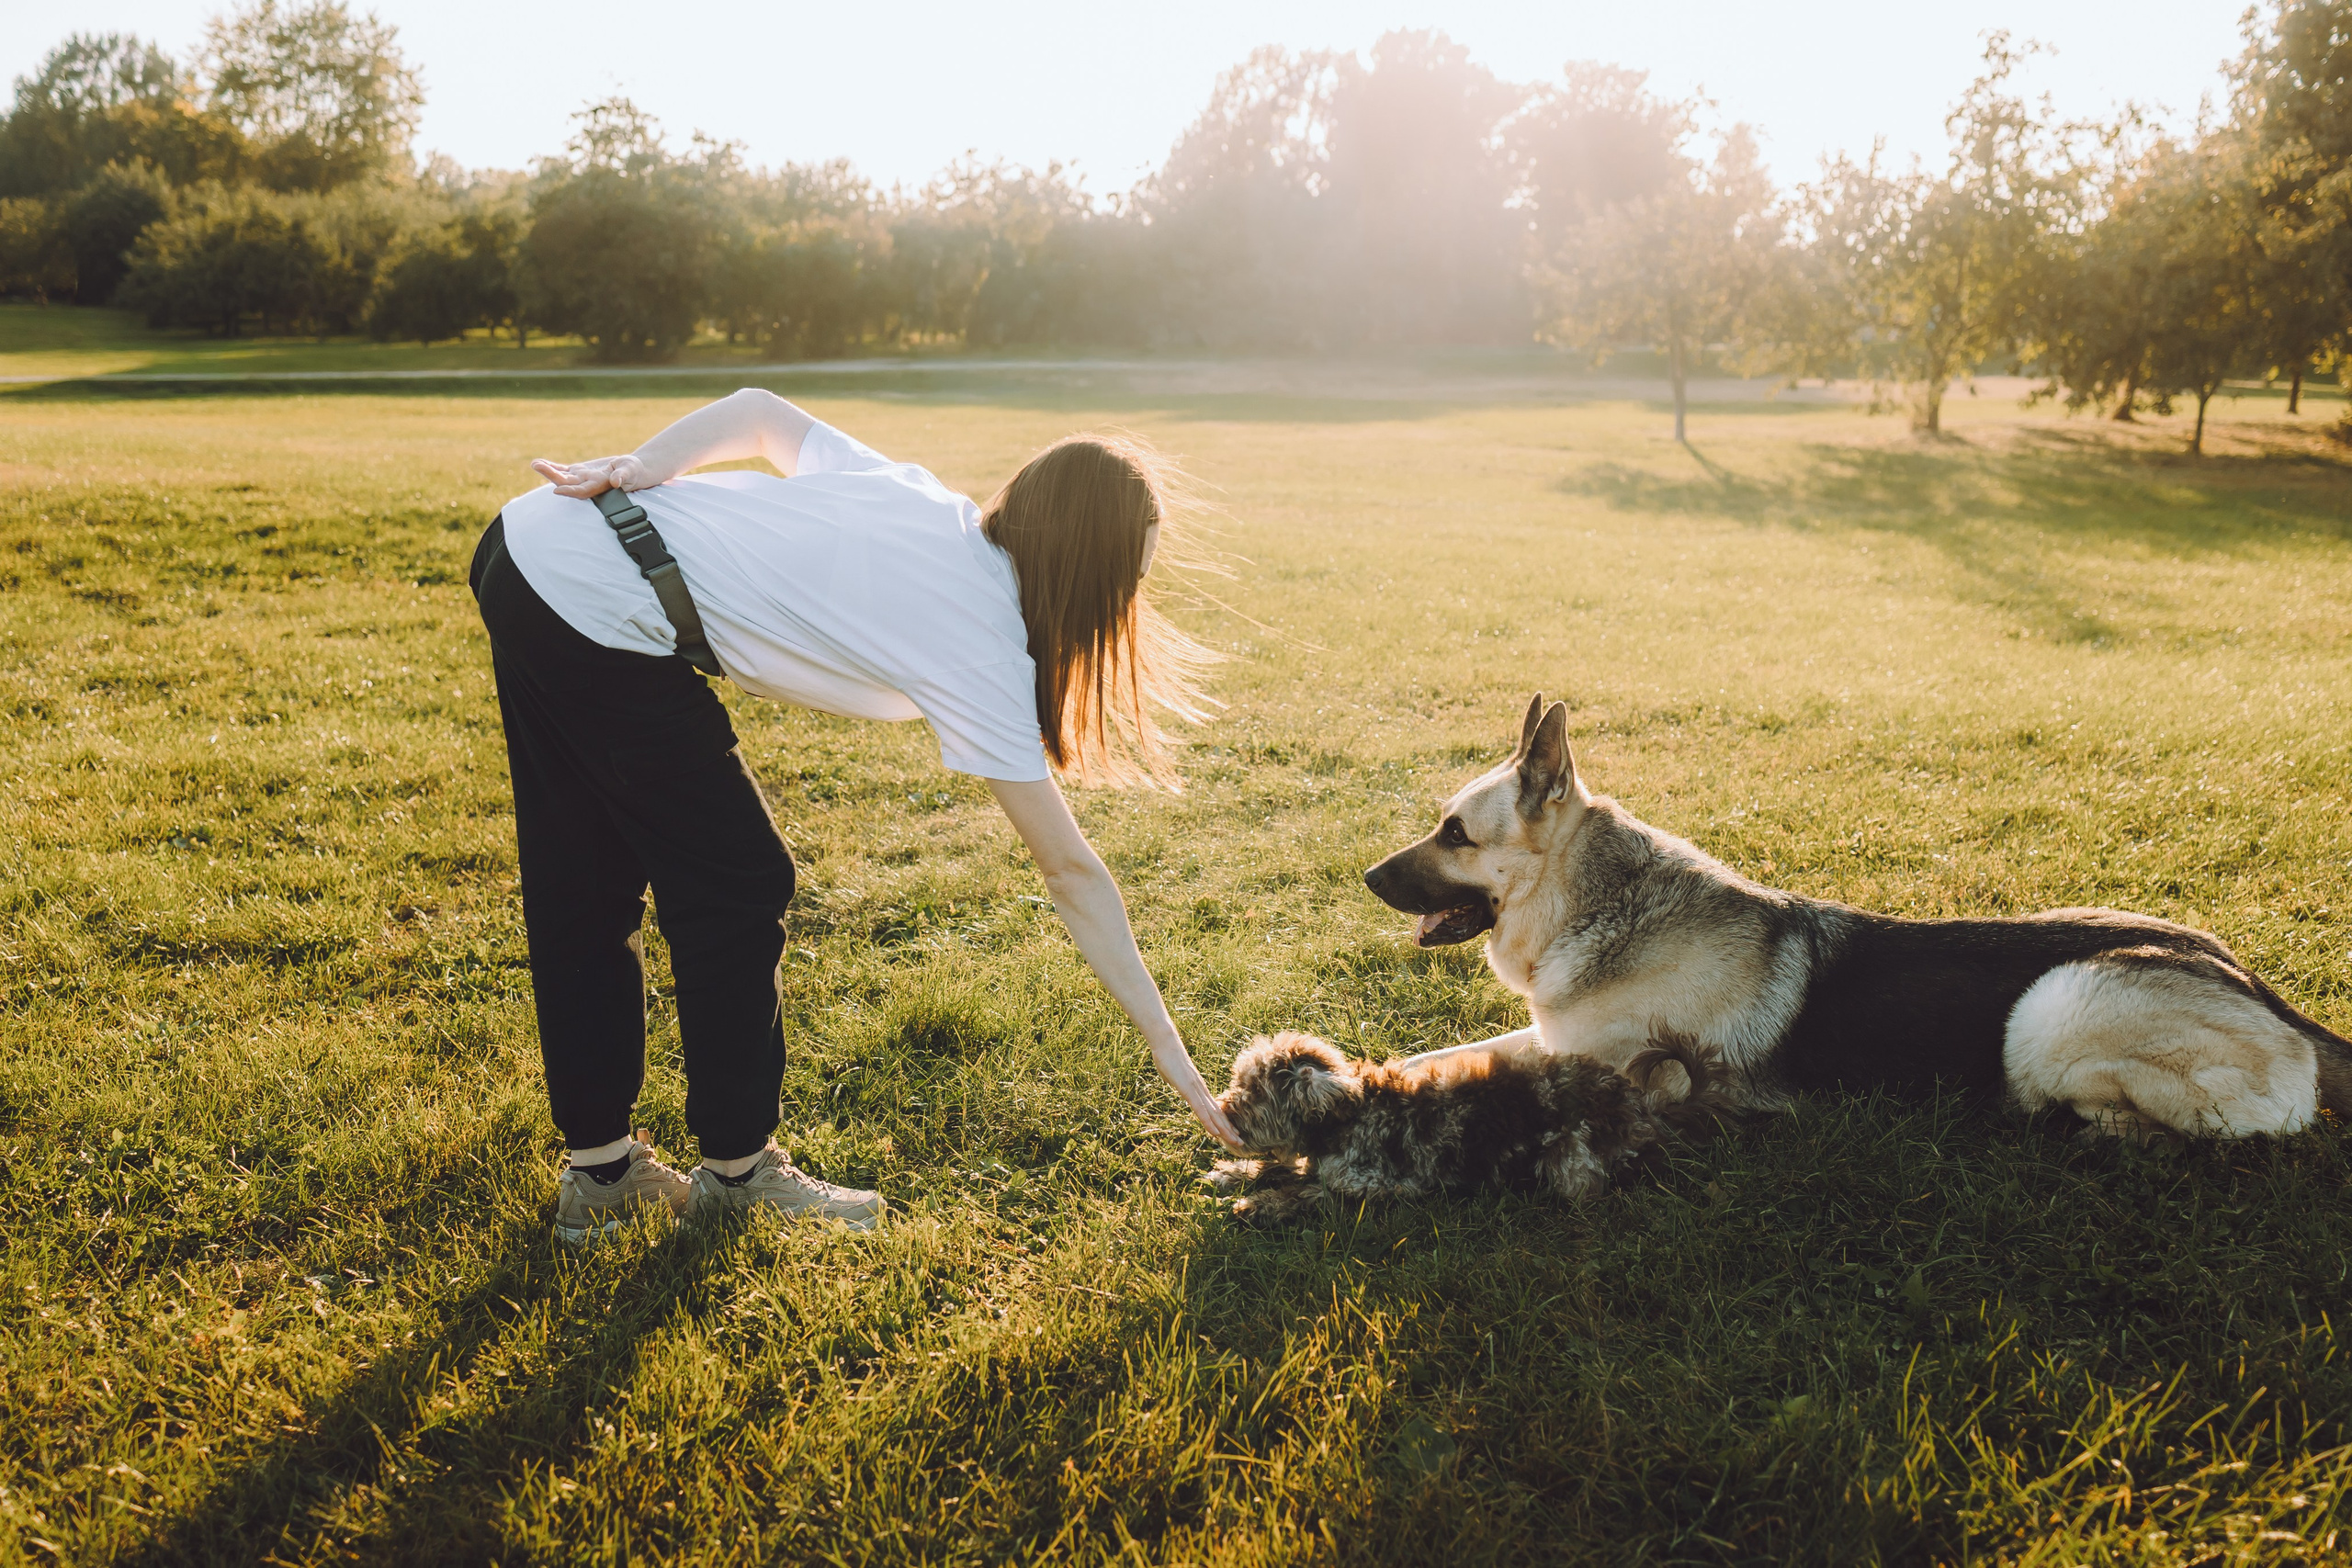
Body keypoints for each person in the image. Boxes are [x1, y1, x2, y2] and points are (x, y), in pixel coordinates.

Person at [469, 389, 1244, 1244]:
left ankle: (604, 1172)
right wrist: (1176, 1056)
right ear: (1084, 568)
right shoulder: (981, 634)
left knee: (585, 877)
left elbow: (762, 415)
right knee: (736, 878)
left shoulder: (929, 505)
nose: (1128, 603)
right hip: (592, 594)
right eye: (1128, 579)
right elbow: (1069, 871)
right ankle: (736, 1172)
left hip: (530, 543)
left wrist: (644, 468)